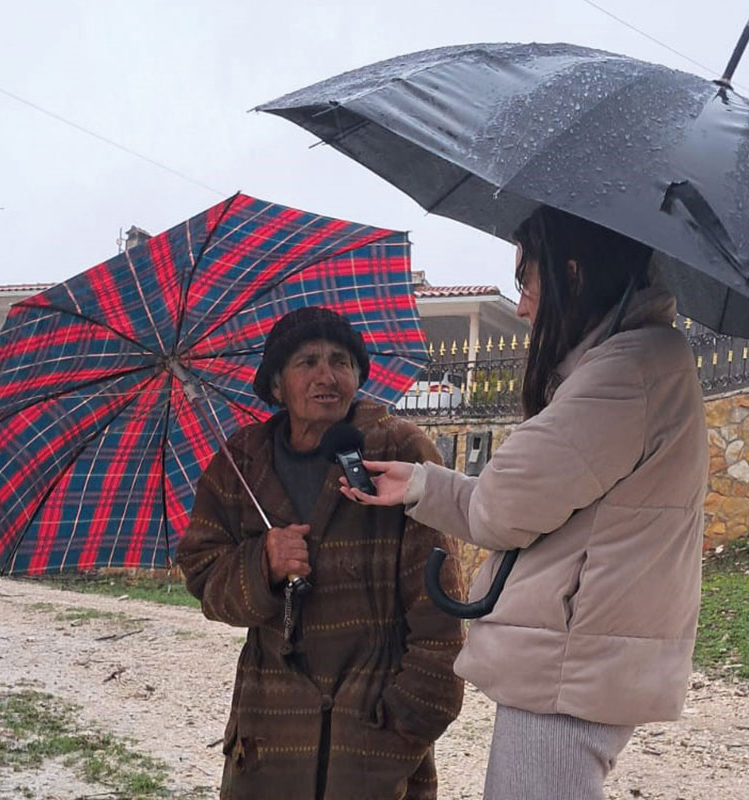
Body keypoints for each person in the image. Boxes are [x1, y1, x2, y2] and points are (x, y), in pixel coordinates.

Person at [340, 207, 709, 800]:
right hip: (584, 659)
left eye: (527, 283)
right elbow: (527, 503)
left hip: (570, 667)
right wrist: (419, 484)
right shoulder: (644, 361)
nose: (522, 307)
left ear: (572, 274)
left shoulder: (625, 372)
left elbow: (502, 508)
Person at [177, 306, 466, 800]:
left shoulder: (400, 450)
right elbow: (204, 577)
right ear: (275, 386)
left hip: (376, 735)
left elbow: (439, 607)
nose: (326, 377)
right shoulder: (239, 464)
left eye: (341, 361)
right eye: (306, 362)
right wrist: (261, 564)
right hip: (268, 742)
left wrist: (408, 722)